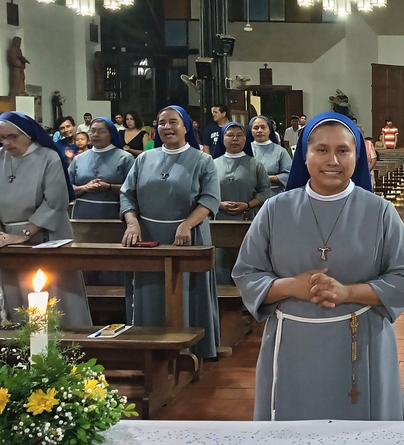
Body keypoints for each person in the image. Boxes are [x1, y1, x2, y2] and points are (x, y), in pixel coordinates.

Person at [233, 112, 404, 421]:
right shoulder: (275, 210)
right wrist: (292, 287)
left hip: (361, 344)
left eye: (343, 151)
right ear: (303, 155)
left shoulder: (380, 212)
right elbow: (246, 273)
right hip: (293, 344)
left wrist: (347, 292)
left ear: (357, 157)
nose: (332, 160)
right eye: (321, 150)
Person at [120, 106, 221, 359]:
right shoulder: (144, 158)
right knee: (151, 292)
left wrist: (187, 224)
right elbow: (127, 195)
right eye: (161, 123)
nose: (167, 127)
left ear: (186, 127)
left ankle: (193, 348)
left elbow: (210, 199)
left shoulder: (202, 160)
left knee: (187, 293)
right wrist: (132, 223)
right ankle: (150, 344)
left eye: (173, 122)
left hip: (188, 236)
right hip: (149, 237)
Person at [0, 112, 90, 326]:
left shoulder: (48, 157)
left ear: (28, 134)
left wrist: (23, 235)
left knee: (57, 300)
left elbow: (55, 202)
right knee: (18, 301)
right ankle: (24, 354)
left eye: (12, 137)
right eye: (2, 137)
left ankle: (70, 351)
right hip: (6, 240)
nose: (6, 143)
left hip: (47, 235)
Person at [212, 122, 270, 286]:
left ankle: (247, 302)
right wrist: (219, 204)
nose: (235, 139)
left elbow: (265, 192)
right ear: (222, 139)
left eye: (239, 135)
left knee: (247, 260)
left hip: (247, 220)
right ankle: (221, 302)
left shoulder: (255, 165)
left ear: (246, 139)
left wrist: (247, 205)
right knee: (220, 261)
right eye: (230, 135)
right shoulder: (212, 164)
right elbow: (203, 192)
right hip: (219, 221)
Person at [69, 117, 134, 221]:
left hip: (114, 215)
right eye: (93, 130)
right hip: (82, 216)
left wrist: (109, 187)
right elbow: (66, 188)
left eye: (102, 131)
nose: (96, 134)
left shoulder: (125, 158)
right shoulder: (79, 158)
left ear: (111, 134)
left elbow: (133, 189)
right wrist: (84, 188)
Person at [249, 115, 292, 199]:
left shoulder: (280, 151)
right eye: (256, 128)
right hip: (249, 196)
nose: (259, 131)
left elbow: (290, 175)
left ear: (270, 130)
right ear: (250, 130)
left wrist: (269, 178)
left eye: (263, 127)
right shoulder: (245, 149)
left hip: (273, 196)